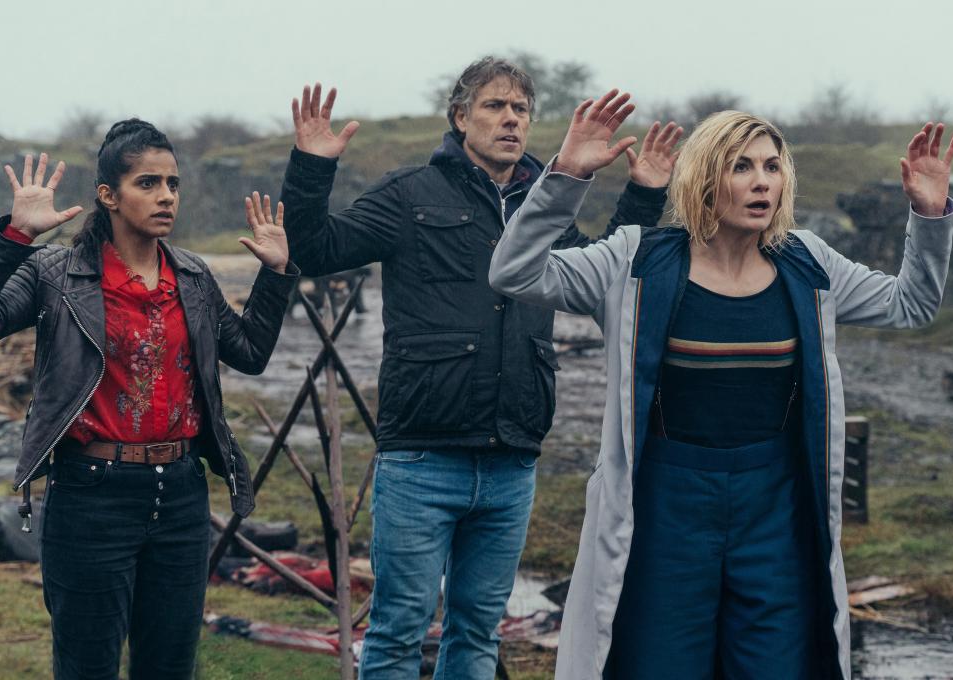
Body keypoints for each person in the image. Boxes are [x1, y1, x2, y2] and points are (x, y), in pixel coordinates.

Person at [489, 98, 953, 679]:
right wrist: (566, 178)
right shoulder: (633, 261)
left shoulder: (809, 263)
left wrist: (929, 217)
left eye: (772, 166)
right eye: (742, 166)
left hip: (775, 512)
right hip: (665, 512)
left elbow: (910, 304)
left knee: (776, 666)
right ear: (705, 179)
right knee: (659, 665)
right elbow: (513, 272)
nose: (762, 181)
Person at [278, 57, 677, 679]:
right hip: (421, 456)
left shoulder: (547, 208)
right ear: (461, 117)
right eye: (495, 106)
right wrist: (311, 166)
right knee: (398, 629)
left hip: (511, 460)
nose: (511, 119)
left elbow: (608, 276)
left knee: (477, 633)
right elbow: (313, 248)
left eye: (521, 109)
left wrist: (645, 194)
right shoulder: (408, 194)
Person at [0, 119, 299, 679]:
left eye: (173, 184)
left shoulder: (192, 276)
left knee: (169, 667)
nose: (166, 196)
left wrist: (275, 274)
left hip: (181, 497)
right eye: (147, 183)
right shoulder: (56, 274)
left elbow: (250, 352)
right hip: (90, 497)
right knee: (87, 667)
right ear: (108, 195)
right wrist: (14, 238)